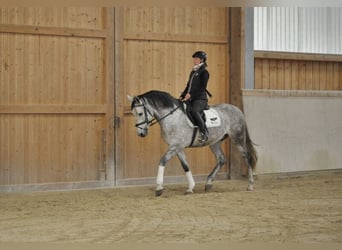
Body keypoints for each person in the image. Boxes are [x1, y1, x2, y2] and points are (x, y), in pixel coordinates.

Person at [180, 51, 210, 142]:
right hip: (191, 98)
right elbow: (188, 85)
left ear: (202, 60)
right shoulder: (193, 71)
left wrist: (191, 95)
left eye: (196, 58)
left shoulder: (204, 72)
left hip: (200, 99)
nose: (194, 60)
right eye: (194, 58)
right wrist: (183, 95)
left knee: (194, 111)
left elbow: (202, 88)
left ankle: (204, 133)